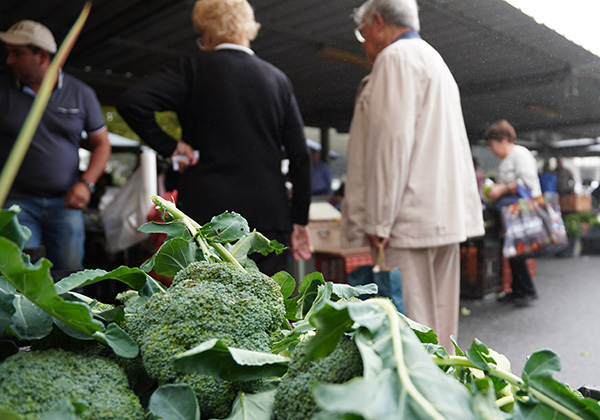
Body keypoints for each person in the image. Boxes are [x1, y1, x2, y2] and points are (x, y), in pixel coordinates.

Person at [116, 0, 312, 276]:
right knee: (270, 302)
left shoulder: (191, 69)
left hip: (205, 214)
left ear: (207, 33)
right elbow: (300, 156)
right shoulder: (277, 79)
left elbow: (132, 102)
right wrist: (299, 220)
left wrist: (170, 146)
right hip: (268, 215)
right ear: (248, 29)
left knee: (207, 299)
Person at [341, 0, 484, 351]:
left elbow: (392, 145)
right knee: (442, 330)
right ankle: (445, 395)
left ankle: (418, 401)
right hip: (444, 216)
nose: (363, 43)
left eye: (363, 33)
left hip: (406, 219)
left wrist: (378, 221)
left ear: (378, 22)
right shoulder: (435, 60)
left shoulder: (395, 58)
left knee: (412, 333)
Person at [0, 20, 111, 276]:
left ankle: (65, 317)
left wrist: (87, 184)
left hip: (66, 204)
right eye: (8, 53)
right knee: (20, 274)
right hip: (16, 204)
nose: (9, 61)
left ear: (41, 55)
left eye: (17, 53)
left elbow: (101, 144)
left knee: (70, 276)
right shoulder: (3, 90)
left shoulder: (81, 93)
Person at [485, 119, 540, 307]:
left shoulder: (520, 155)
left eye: (492, 145)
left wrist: (502, 189)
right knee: (512, 252)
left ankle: (528, 291)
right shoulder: (503, 161)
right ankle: (516, 290)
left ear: (503, 140)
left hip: (523, 211)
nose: (491, 149)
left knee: (519, 253)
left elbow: (528, 184)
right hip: (510, 213)